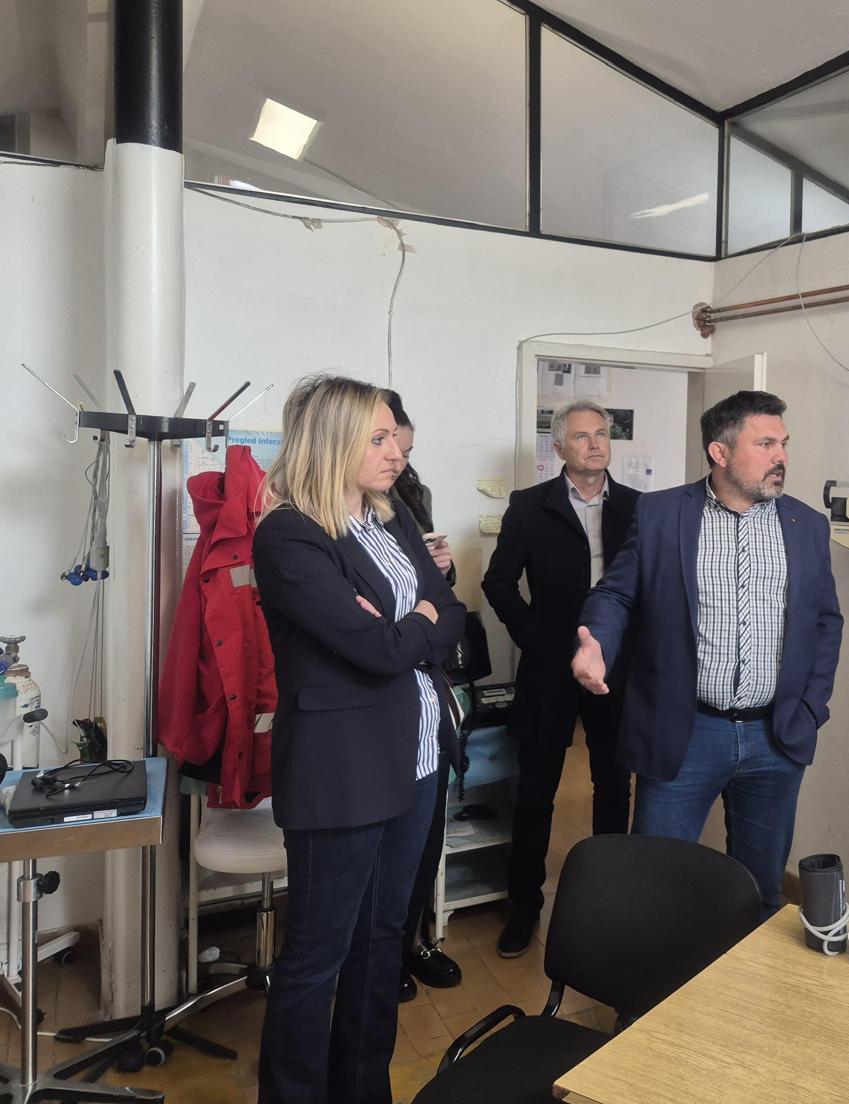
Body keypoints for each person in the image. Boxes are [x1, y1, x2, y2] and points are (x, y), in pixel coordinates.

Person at [253, 374, 465, 1104]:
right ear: (332, 442)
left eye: (393, 438)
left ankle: (363, 1089)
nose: (395, 452)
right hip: (341, 770)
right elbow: (374, 649)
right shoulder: (289, 534)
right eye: (376, 439)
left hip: (417, 759)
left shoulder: (391, 516)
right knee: (318, 956)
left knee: (381, 942)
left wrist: (413, 624)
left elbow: (450, 610)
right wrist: (416, 624)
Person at [572, 390, 842, 917]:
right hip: (685, 730)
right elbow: (617, 593)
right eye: (765, 444)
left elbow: (826, 621)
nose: (781, 456)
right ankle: (655, 974)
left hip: (776, 737)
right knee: (656, 886)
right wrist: (595, 641)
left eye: (783, 443)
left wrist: (811, 708)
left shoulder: (807, 525)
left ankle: (742, 973)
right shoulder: (661, 513)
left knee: (761, 891)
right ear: (720, 452)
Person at [481, 399, 639, 959]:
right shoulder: (530, 506)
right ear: (558, 448)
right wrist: (537, 638)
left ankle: (607, 904)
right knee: (536, 791)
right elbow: (498, 583)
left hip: (614, 667)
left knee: (613, 786)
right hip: (549, 668)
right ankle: (525, 906)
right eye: (581, 436)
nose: (595, 444)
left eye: (602, 434)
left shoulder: (638, 508)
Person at [384, 391, 462, 1001]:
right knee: (385, 844)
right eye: (387, 445)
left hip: (428, 683)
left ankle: (414, 941)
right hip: (383, 688)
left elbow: (445, 602)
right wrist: (426, 610)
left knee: (426, 832)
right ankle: (381, 957)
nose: (399, 461)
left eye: (407, 450)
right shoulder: (328, 514)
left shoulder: (413, 494)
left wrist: (443, 571)